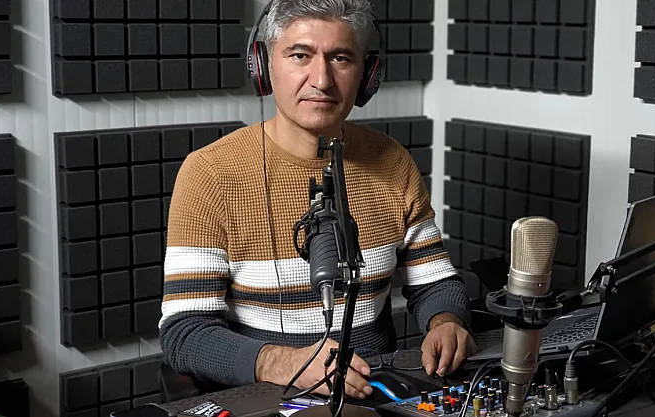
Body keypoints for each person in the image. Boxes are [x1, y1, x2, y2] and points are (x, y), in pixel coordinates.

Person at [159, 0, 477, 401]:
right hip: (270, 397)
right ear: (264, 65)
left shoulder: (393, 161)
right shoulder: (210, 173)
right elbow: (185, 331)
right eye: (300, 55)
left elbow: (434, 282)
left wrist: (446, 321)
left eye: (340, 58)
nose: (322, 80)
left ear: (367, 75)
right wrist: (279, 362)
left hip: (375, 393)